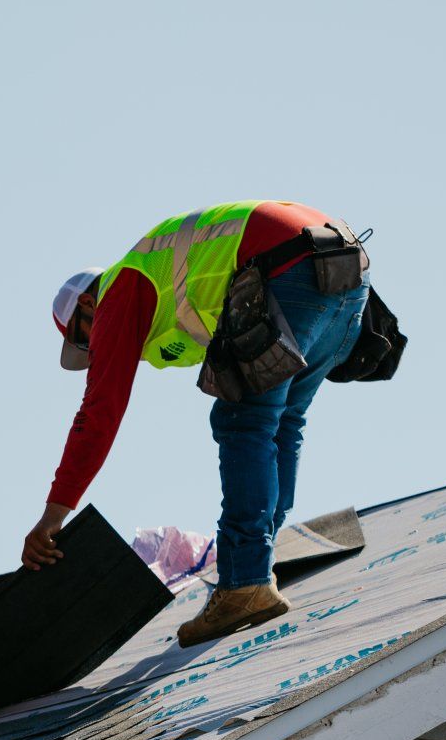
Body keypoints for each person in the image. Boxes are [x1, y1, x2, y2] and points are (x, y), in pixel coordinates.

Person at [22, 201, 369, 648]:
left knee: (244, 419)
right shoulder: (159, 279)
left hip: (293, 268)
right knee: (281, 422)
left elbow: (100, 410)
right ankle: (256, 562)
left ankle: (245, 581)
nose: (95, 350)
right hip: (343, 272)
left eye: (85, 339)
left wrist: (54, 514)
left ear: (90, 303)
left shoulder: (121, 288)